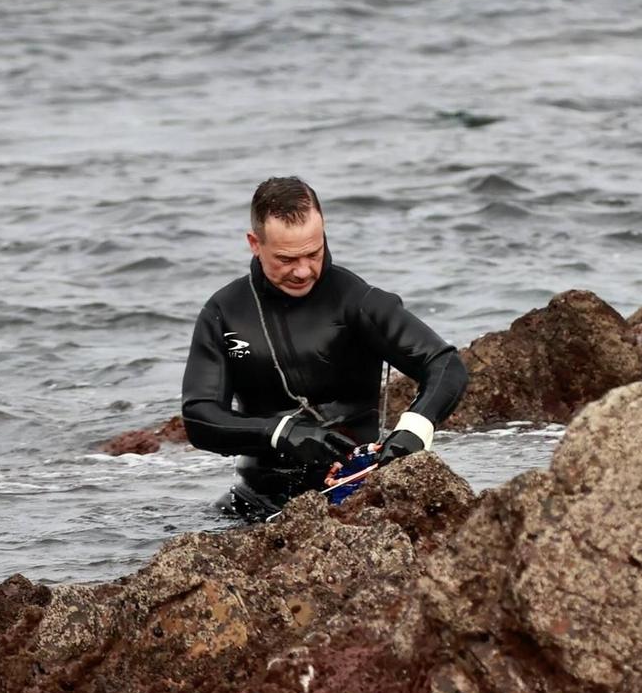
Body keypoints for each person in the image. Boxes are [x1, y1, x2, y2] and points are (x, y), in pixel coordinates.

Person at [180, 176, 469, 518]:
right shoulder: (224, 313)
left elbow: (445, 365)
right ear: (254, 243)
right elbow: (200, 418)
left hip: (356, 492)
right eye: (286, 259)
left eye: (313, 253)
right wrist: (279, 432)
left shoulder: (357, 301)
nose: (303, 271)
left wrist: (413, 430)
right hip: (256, 500)